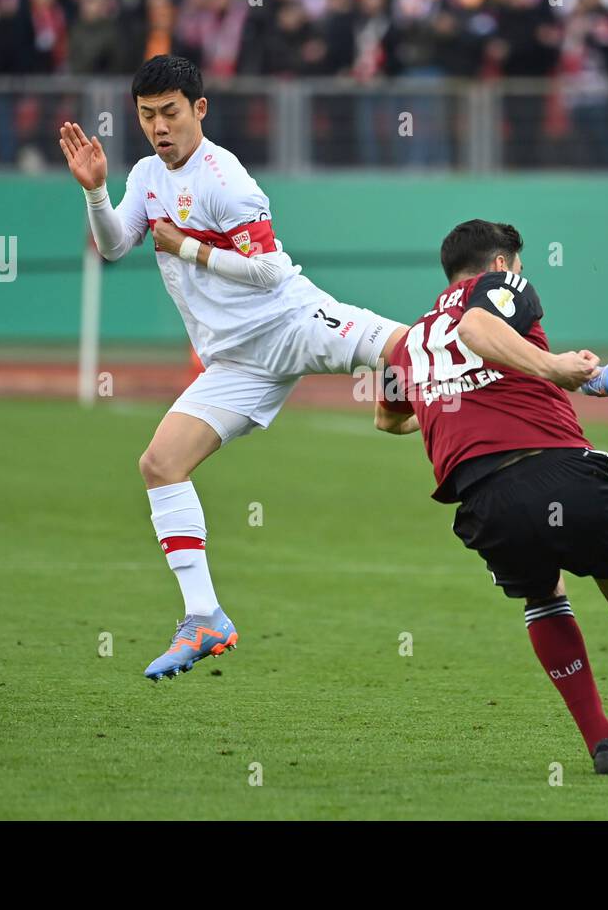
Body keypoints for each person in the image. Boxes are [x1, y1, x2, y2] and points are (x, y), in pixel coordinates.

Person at [59, 55, 406, 679]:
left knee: (406, 345)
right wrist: (94, 191)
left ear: (200, 110)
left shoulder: (226, 179)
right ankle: (204, 619)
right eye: (147, 116)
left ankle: (544, 378)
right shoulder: (143, 175)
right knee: (160, 464)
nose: (160, 127)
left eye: (170, 113)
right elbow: (114, 247)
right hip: (235, 362)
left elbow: (271, 269)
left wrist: (188, 247)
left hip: (292, 323)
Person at [375, 219, 608, 775]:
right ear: (500, 264)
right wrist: (556, 368)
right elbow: (477, 327)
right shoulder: (497, 289)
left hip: (485, 499)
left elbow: (387, 419)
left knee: (544, 598)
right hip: (559, 468)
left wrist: (449, 394)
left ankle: (605, 747)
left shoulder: (409, 341)